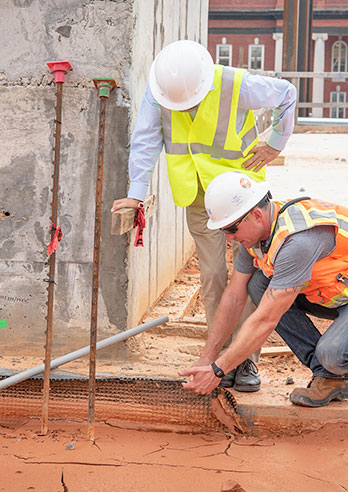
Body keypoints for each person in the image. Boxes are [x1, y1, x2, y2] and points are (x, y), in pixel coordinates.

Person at [111, 40, 297, 393]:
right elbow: (146, 139)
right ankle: (224, 359)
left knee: (252, 277)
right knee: (213, 276)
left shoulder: (234, 83)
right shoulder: (161, 90)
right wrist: (136, 193)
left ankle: (248, 362)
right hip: (199, 197)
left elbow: (287, 93)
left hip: (243, 198)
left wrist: (276, 141)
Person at [179, 171, 348, 407]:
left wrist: (219, 369)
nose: (228, 238)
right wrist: (207, 359)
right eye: (224, 231)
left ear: (255, 215)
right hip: (343, 293)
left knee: (335, 354)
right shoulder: (258, 237)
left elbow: (265, 320)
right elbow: (234, 296)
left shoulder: (298, 240)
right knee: (258, 285)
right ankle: (329, 378)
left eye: (231, 229)